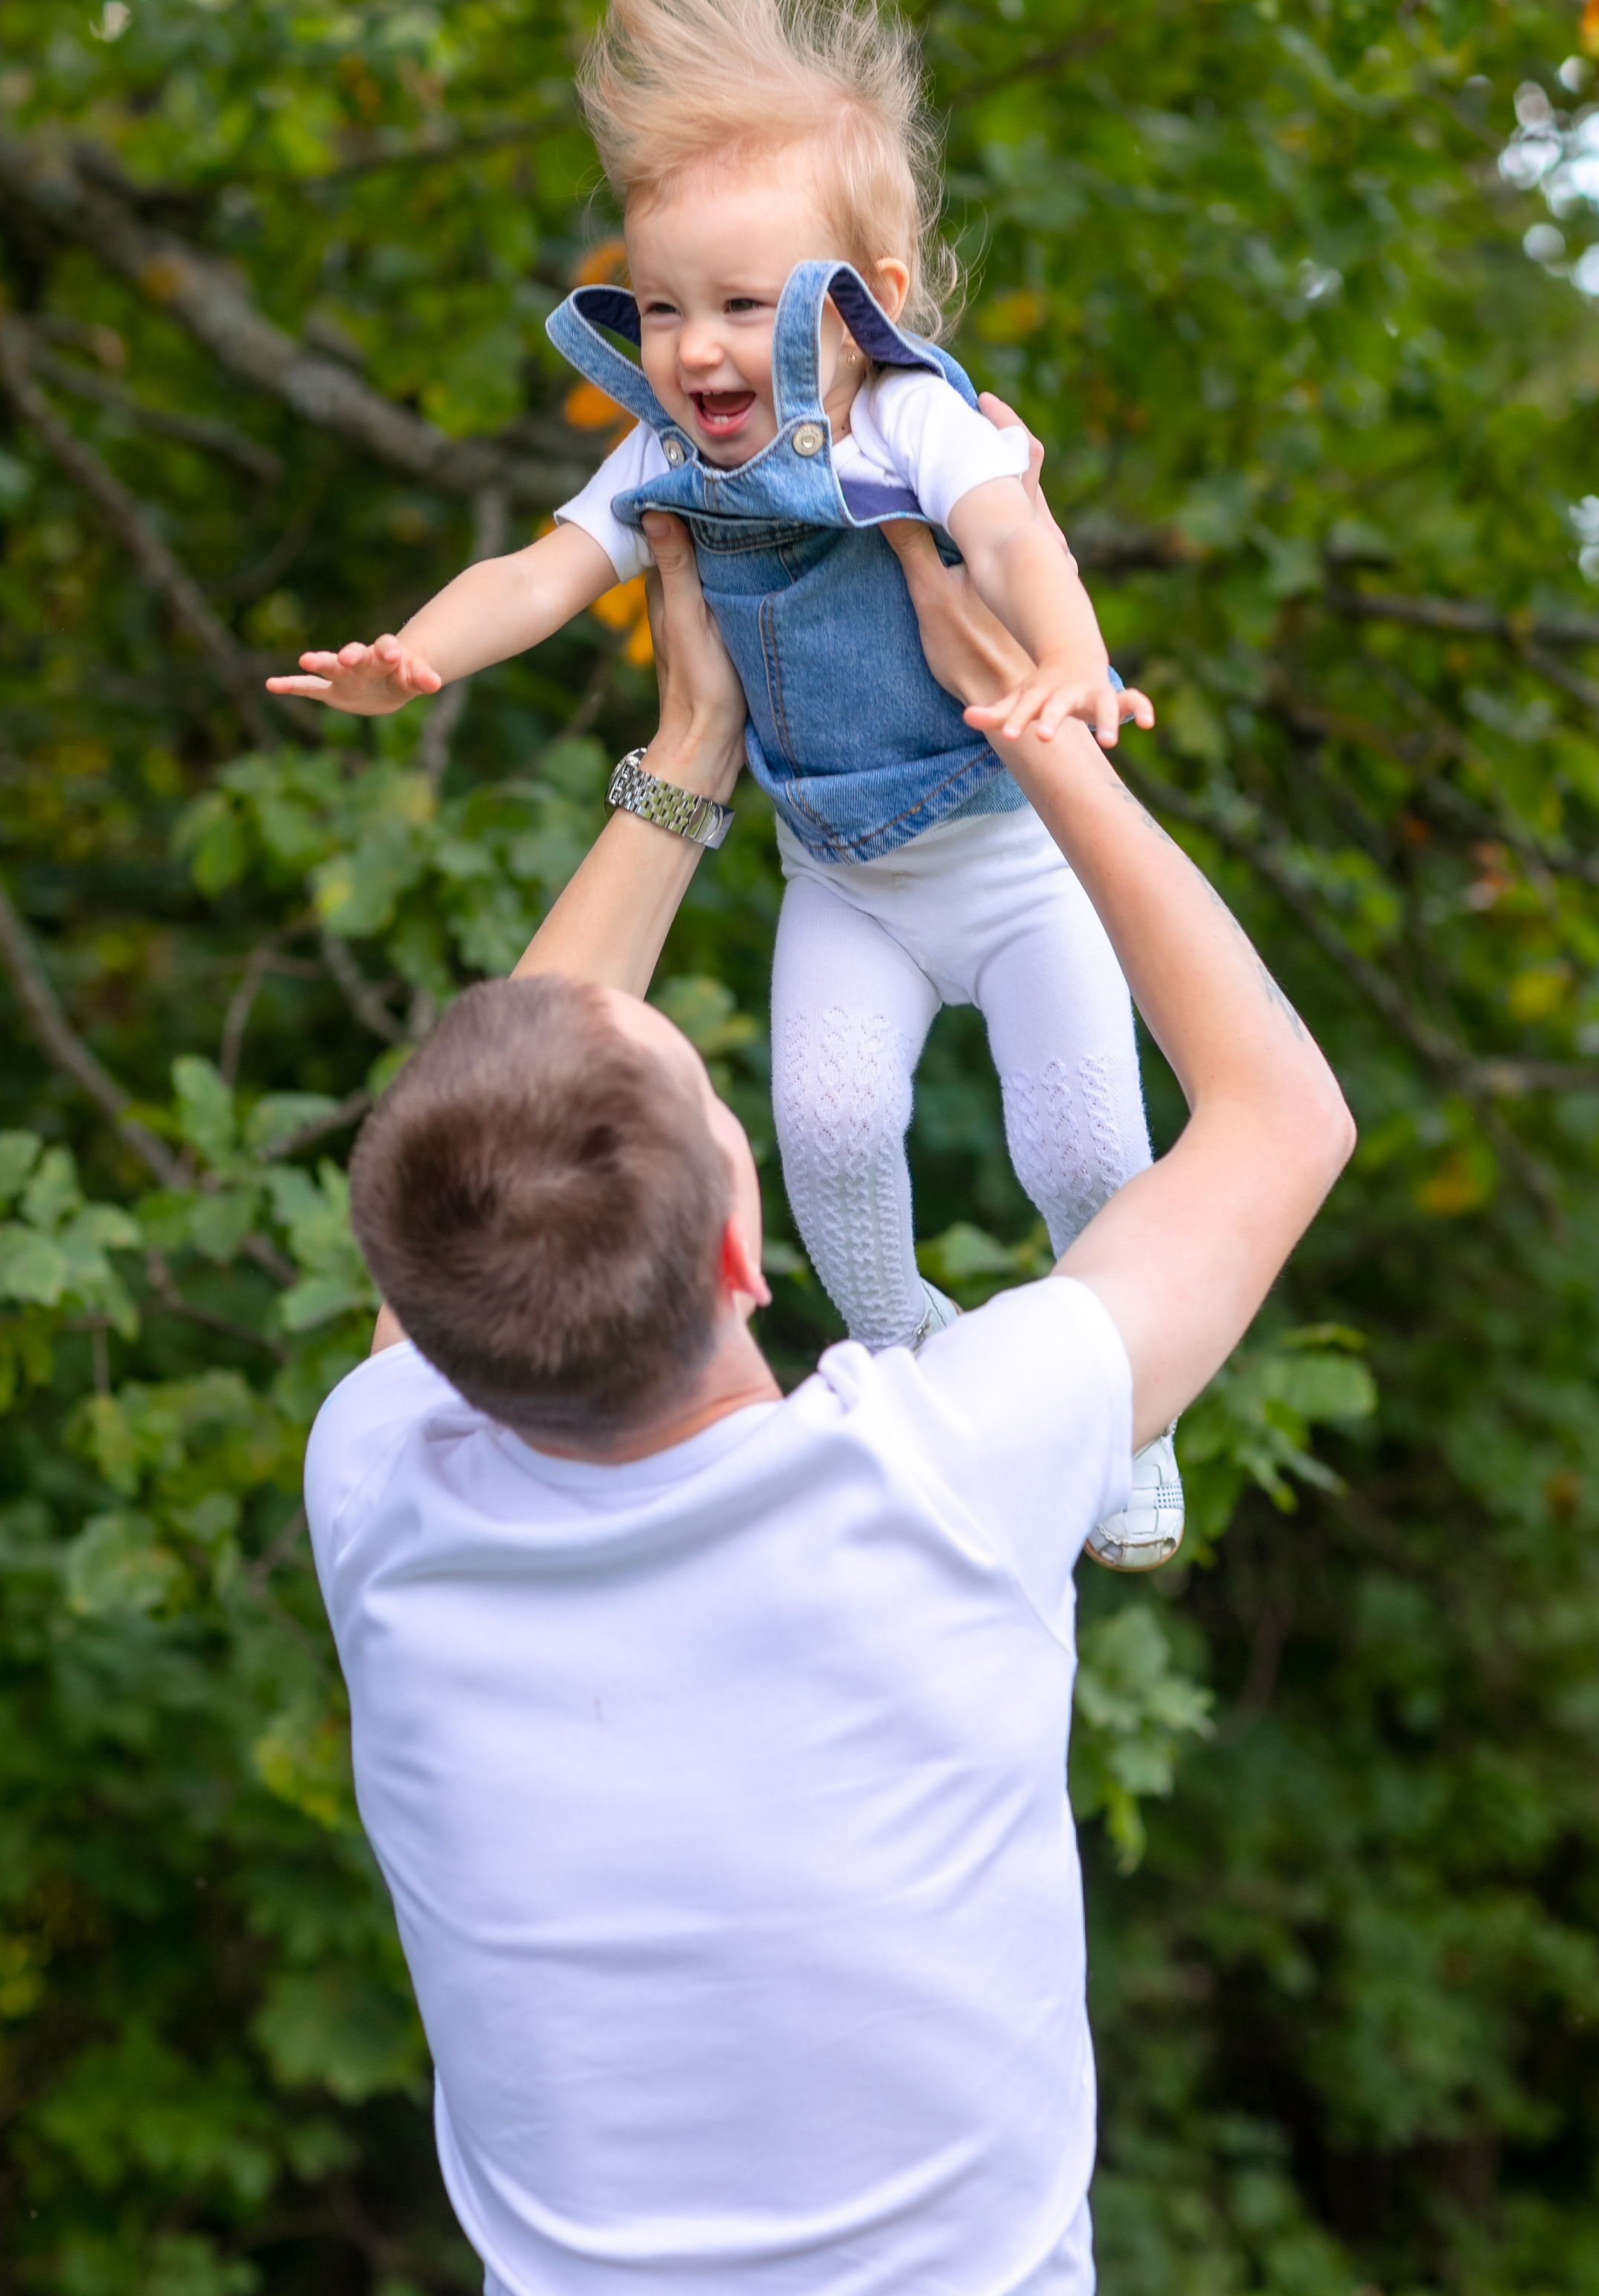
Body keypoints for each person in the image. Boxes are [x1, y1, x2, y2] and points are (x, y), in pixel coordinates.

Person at [304, 498, 1355, 2296]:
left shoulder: (388, 1494)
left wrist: (686, 755)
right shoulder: (945, 1474)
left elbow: (487, 1145)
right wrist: (1038, 727)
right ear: (741, 1256)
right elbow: (1283, 1116)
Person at [275, 0, 1183, 1566]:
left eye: (741, 304)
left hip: (1005, 857)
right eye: (663, 302)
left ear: (864, 301)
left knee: (1088, 1148)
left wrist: (1070, 662)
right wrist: (415, 651)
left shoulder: (912, 421)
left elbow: (1016, 540)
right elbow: (541, 572)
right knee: (828, 1142)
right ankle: (905, 1350)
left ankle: (1128, 1419)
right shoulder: (667, 458)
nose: (694, 347)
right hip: (840, 878)